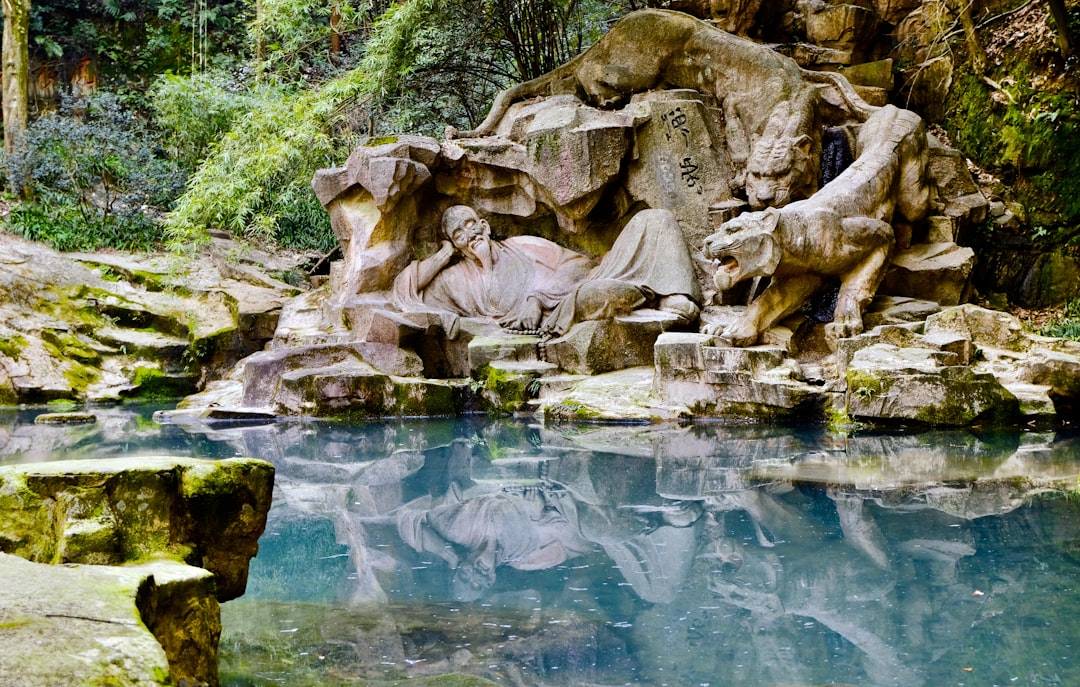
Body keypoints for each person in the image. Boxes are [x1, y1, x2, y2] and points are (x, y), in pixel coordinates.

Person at [392, 205, 701, 336]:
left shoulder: (522, 245)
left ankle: (673, 295)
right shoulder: (454, 280)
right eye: (459, 234)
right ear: (456, 245)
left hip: (566, 297)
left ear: (485, 226)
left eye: (471, 224)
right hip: (572, 310)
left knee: (655, 218)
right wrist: (443, 255)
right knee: (600, 294)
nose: (469, 235)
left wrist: (537, 299)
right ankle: (645, 295)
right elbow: (405, 290)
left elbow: (581, 266)